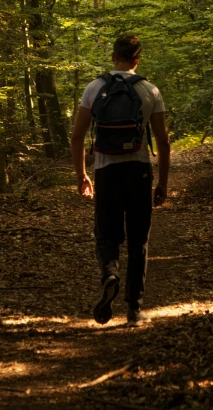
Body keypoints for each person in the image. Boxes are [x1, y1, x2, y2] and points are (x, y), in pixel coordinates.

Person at [70, 33, 170, 327]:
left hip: (106, 171)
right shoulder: (150, 90)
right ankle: (134, 309)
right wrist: (162, 183)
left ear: (114, 57)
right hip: (138, 172)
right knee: (139, 239)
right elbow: (163, 141)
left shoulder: (95, 87)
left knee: (106, 233)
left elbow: (77, 137)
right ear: (137, 59)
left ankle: (110, 273)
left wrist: (82, 176)